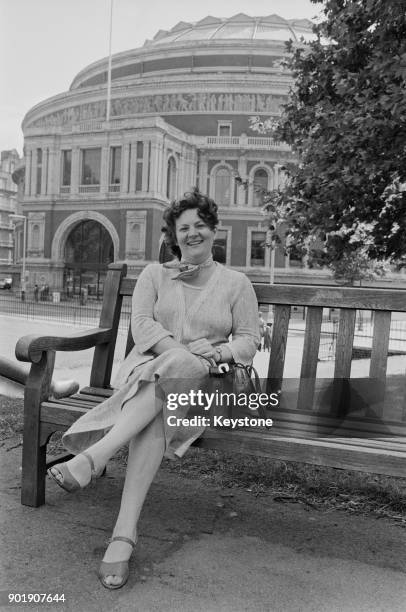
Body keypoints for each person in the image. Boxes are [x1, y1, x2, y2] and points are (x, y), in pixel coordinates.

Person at [48, 188, 260, 590]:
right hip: (149, 373)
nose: (193, 233)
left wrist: (216, 352)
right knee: (171, 379)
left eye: (200, 225)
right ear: (173, 236)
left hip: (207, 384)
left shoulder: (236, 283)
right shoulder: (153, 274)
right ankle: (122, 533)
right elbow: (143, 326)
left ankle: (94, 459)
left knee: (177, 378)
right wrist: (182, 354)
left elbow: (249, 340)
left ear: (214, 230)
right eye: (184, 227)